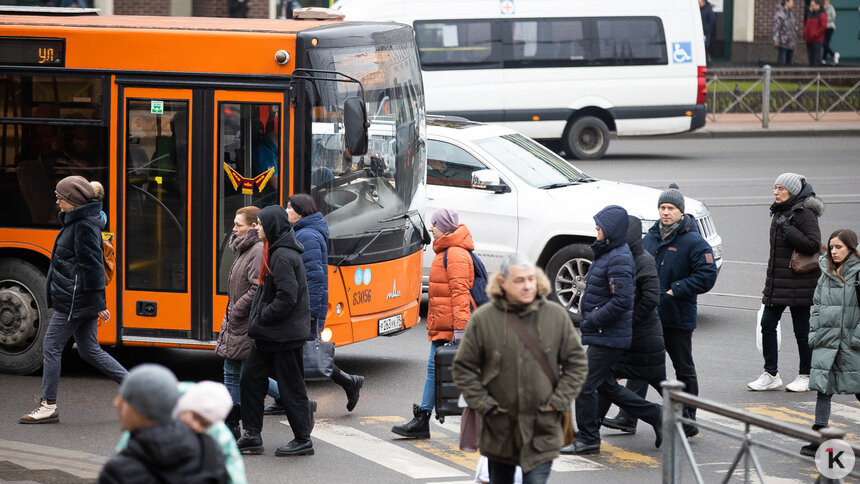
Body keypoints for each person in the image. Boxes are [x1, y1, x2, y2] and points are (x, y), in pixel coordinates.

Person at [453, 253, 588, 484]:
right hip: (499, 431)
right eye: (519, 280)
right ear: (503, 283)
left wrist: (558, 401)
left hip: (543, 428)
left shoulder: (555, 316)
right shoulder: (484, 319)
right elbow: (463, 368)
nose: (527, 286)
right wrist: (486, 406)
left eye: (530, 279)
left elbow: (576, 363)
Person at [19, 176, 128, 424]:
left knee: (51, 346)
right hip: (79, 297)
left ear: (74, 200)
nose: (57, 201)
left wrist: (99, 304)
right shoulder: (78, 221)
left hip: (75, 299)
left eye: (60, 197)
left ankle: (48, 404)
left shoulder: (83, 227)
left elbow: (93, 268)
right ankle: (137, 388)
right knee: (89, 350)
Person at [572, 206, 663, 455]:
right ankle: (655, 414)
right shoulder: (608, 252)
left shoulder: (619, 257)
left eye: (600, 225)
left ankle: (589, 439)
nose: (596, 229)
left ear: (611, 229)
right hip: (604, 333)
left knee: (584, 384)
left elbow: (623, 300)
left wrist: (594, 319)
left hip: (608, 334)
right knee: (604, 385)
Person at [266, 195, 364, 414]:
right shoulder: (301, 231)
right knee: (296, 355)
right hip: (304, 307)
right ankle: (286, 398)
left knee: (308, 354)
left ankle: (348, 382)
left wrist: (309, 313)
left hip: (307, 309)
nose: (286, 210)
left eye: (290, 207)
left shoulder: (308, 235)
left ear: (301, 212)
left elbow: (314, 277)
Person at [236, 206, 314, 457]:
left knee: (292, 388)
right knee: (251, 379)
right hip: (270, 334)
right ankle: (251, 434)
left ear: (271, 227)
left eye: (260, 223)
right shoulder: (274, 250)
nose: (257, 227)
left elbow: (287, 297)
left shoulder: (281, 255)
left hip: (283, 335)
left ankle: (303, 439)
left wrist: (262, 316)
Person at [643, 184, 718, 438]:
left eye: (671, 208)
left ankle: (689, 419)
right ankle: (628, 416)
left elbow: (707, 276)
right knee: (640, 361)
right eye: (662, 208)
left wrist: (676, 290)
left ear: (680, 211)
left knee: (683, 367)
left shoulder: (694, 241)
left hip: (677, 316)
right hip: (650, 315)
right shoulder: (651, 236)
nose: (665, 212)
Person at [392, 208, 474, 439]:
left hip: (451, 328)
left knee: (446, 373)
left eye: (434, 224)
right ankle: (422, 419)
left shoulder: (455, 254)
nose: (431, 228)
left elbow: (460, 294)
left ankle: (424, 420)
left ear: (445, 226)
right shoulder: (448, 250)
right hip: (444, 326)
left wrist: (460, 329)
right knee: (434, 371)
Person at [748, 173, 823, 393]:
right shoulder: (781, 211)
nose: (776, 192)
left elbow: (813, 244)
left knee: (801, 329)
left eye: (781, 188)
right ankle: (771, 374)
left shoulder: (804, 212)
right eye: (775, 188)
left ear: (793, 191)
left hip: (799, 282)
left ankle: (806, 374)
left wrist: (788, 229)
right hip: (778, 281)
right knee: (767, 324)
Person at [99, 364, 228, 484]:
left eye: (125, 399)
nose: (116, 403)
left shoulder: (118, 472)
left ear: (140, 408)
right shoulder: (209, 447)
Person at [599, 215, 667, 436]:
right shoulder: (623, 257)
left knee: (606, 377)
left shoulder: (642, 260)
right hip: (635, 336)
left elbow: (650, 298)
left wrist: (628, 320)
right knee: (606, 377)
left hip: (643, 337)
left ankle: (679, 421)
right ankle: (595, 427)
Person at [115, 380, 246, 484]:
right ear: (185, 407)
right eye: (196, 419)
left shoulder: (216, 427)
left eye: (205, 425)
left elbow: (233, 464)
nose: (197, 427)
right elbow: (127, 447)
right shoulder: (155, 413)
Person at [800, 229, 860, 456]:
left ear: (851, 249)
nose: (833, 252)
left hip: (852, 345)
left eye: (839, 247)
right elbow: (817, 307)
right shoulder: (825, 274)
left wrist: (857, 338)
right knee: (823, 390)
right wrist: (814, 335)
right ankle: (819, 438)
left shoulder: (858, 275)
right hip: (827, 342)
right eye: (832, 247)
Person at [216, 206, 263, 438]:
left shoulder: (256, 249)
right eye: (234, 224)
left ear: (254, 227)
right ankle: (231, 424)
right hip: (236, 319)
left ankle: (232, 425)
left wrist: (236, 310)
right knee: (236, 371)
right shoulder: (244, 247)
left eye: (239, 225)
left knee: (240, 373)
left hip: (243, 320)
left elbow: (256, 287)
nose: (234, 229)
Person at [774, 0, 799, 65]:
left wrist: (796, 32)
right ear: (787, 3)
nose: (793, 4)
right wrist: (776, 39)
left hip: (791, 41)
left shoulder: (790, 13)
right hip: (783, 41)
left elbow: (793, 25)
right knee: (781, 59)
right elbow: (776, 27)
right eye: (792, 3)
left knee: (789, 61)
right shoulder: (780, 14)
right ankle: (779, 73)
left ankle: (787, 74)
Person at [804, 0, 827, 67]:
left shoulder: (822, 15)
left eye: (813, 6)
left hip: (817, 40)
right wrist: (806, 35)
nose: (812, 7)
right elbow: (807, 26)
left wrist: (815, 34)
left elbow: (823, 27)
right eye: (811, 6)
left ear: (818, 5)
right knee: (810, 58)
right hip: (809, 40)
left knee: (817, 58)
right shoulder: (810, 14)